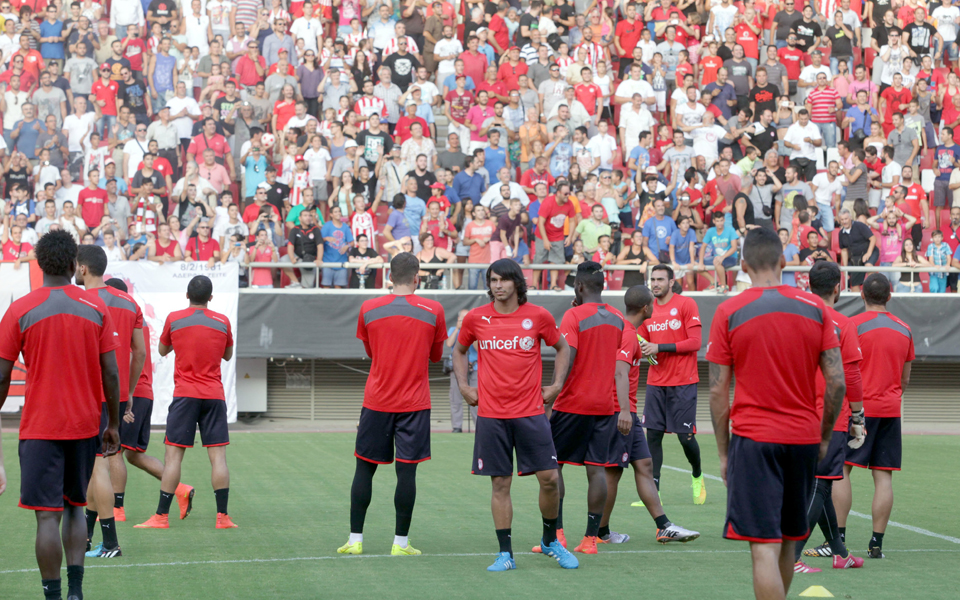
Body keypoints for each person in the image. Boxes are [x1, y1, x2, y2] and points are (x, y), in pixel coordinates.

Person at [707, 227, 846, 600]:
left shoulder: (728, 311)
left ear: (742, 265)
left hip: (754, 441)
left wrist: (723, 452)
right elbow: (837, 383)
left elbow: (718, 389)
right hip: (802, 439)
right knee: (789, 540)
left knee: (762, 547)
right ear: (785, 262)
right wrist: (824, 436)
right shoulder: (816, 308)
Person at [0, 230, 121, 600]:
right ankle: (76, 593)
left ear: (39, 265)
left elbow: (2, 375)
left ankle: (52, 595)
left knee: (46, 517)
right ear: (73, 265)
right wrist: (113, 423)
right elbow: (111, 373)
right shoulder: (96, 307)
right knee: (74, 509)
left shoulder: (20, 309)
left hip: (39, 426)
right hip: (84, 425)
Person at [453, 258, 577, 571]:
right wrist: (464, 385)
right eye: (493, 280)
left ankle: (550, 541)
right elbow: (459, 349)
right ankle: (505, 554)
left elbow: (563, 347)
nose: (498, 285)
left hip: (531, 412)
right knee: (500, 484)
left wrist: (557, 385)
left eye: (504, 280)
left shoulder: (538, 316)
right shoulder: (476, 319)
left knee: (549, 480)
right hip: (492, 415)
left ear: (517, 283)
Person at [338, 253, 447, 557]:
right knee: (407, 473)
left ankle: (355, 539)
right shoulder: (434, 309)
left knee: (364, 468)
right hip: (414, 403)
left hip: (377, 401)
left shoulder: (369, 308)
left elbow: (371, 351)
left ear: (389, 275)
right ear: (417, 277)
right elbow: (436, 356)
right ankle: (400, 543)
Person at [527, 262, 630, 557]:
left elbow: (567, 357)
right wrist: (623, 407)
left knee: (553, 467)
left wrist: (550, 394)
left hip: (571, 404)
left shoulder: (573, 315)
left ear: (580, 287)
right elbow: (619, 369)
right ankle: (590, 540)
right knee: (596, 470)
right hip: (604, 405)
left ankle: (556, 535)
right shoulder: (618, 317)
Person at [597, 283, 700, 545]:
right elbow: (619, 372)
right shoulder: (629, 334)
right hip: (622, 412)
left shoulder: (626, 329)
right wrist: (623, 410)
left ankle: (663, 526)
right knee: (613, 472)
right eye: (652, 303)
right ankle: (598, 533)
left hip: (628, 412)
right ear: (646, 308)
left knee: (644, 465)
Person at [134, 276, 237, 530]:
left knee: (173, 459)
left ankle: (161, 517)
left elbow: (161, 350)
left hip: (185, 395)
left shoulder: (174, 318)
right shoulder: (222, 321)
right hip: (214, 395)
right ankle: (223, 518)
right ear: (210, 298)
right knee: (219, 458)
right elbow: (227, 355)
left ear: (187, 295)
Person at [792, 262, 866, 574]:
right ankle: (791, 557)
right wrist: (859, 416)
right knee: (820, 486)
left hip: (797, 411)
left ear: (808, 285)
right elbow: (850, 374)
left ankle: (839, 552)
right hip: (829, 416)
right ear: (838, 287)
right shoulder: (842, 324)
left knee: (816, 484)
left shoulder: (794, 319)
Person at [835, 273, 915, 559]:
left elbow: (841, 372)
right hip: (890, 410)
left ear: (861, 294)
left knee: (842, 469)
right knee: (884, 477)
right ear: (890, 295)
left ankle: (838, 539)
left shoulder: (851, 325)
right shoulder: (905, 328)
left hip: (857, 411)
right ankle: (876, 544)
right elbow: (905, 379)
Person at [74, 246, 146, 559]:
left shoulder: (79, 301)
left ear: (82, 268)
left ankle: (112, 543)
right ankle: (89, 539)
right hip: (115, 397)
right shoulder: (130, 302)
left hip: (88, 396)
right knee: (95, 467)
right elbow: (140, 352)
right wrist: (126, 395)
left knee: (96, 469)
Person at [638, 263, 705, 503]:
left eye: (659, 279)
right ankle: (654, 493)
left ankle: (697, 476)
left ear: (671, 282)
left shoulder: (687, 304)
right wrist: (643, 347)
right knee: (653, 436)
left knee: (685, 437)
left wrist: (659, 347)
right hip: (656, 382)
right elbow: (642, 342)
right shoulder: (646, 309)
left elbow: (695, 342)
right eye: (652, 279)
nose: (655, 284)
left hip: (684, 381)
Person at [446, 309, 477, 433]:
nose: (463, 321)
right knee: (455, 398)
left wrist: (471, 331)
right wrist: (458, 329)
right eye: (461, 319)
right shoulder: (453, 329)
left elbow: (477, 348)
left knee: (476, 396)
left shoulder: (475, 330)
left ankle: (479, 426)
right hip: (457, 369)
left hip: (474, 367)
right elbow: (449, 344)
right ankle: (457, 426)